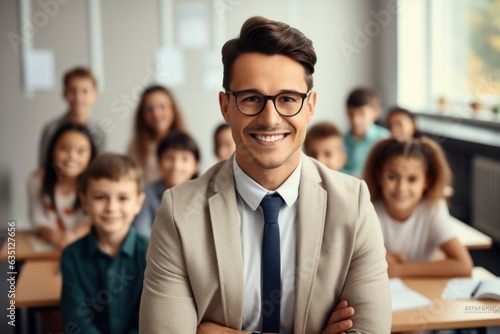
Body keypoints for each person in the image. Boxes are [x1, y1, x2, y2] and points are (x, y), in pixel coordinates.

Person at [140, 16, 391, 334]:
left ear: (310, 107)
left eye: (288, 99)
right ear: (226, 107)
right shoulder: (178, 212)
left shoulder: (353, 202)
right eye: (251, 99)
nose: (270, 119)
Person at [60, 153, 147, 333]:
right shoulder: (71, 256)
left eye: (122, 198)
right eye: (100, 197)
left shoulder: (152, 252)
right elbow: (77, 319)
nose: (111, 208)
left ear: (138, 203)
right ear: (84, 201)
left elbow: (148, 318)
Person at [362, 137, 473, 278]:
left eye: (412, 179)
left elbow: (464, 265)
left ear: (427, 181)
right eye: (392, 177)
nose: (401, 188)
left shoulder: (432, 208)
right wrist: (379, 258)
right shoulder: (367, 208)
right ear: (379, 177)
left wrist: (400, 270)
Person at [28, 122, 97, 249]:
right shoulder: (38, 181)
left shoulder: (96, 184)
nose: (72, 156)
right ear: (52, 151)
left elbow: (93, 218)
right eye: (65, 148)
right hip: (49, 247)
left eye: (81, 151)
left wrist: (74, 236)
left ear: (91, 156)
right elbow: (37, 219)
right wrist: (56, 237)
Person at [133, 131, 200, 238]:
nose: (176, 166)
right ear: (159, 161)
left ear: (196, 165)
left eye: (184, 159)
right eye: (170, 158)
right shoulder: (147, 194)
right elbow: (142, 235)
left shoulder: (206, 195)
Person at [38, 66, 103, 167]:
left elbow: (99, 167)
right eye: (73, 91)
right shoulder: (51, 129)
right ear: (64, 94)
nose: (78, 97)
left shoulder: (99, 130)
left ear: (95, 95)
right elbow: (44, 167)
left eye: (85, 91)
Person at [128, 85, 188, 183]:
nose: (156, 114)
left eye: (162, 106)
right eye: (148, 109)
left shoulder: (187, 144)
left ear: (173, 109)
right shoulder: (135, 147)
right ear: (142, 115)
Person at [342, 87, 390, 177]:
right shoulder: (341, 139)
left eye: (361, 114)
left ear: (376, 112)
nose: (355, 120)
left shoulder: (384, 139)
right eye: (350, 114)